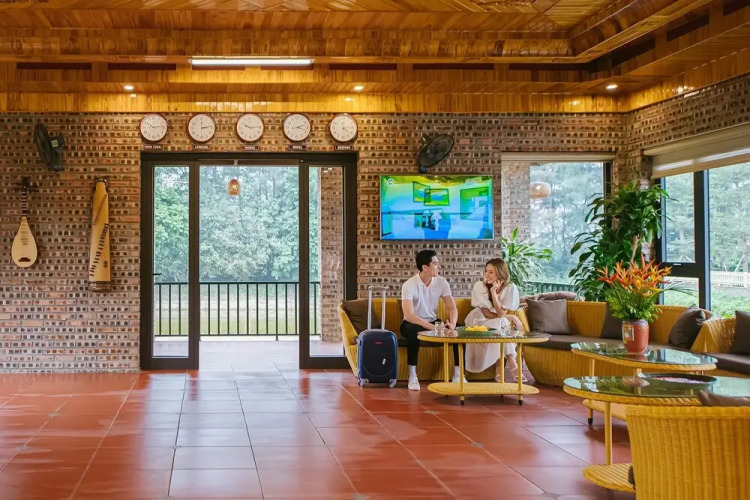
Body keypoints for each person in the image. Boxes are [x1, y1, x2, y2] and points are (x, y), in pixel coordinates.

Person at [400, 249, 459, 391]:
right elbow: (409, 315)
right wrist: (433, 328)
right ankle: (412, 376)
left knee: (459, 330)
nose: (439, 266)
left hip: (433, 321)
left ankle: (458, 375)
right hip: (412, 323)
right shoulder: (409, 285)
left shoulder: (441, 282)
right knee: (413, 333)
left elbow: (452, 308)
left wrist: (452, 324)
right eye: (436, 264)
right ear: (425, 267)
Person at [463, 258, 526, 382]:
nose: (487, 275)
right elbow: (487, 314)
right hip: (478, 321)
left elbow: (501, 313)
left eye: (491, 272)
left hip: (497, 322)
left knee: (500, 326)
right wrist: (512, 317)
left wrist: (494, 293)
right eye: (486, 271)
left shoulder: (510, 288)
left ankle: (499, 369)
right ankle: (512, 363)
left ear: (500, 273)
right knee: (501, 324)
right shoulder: (479, 286)